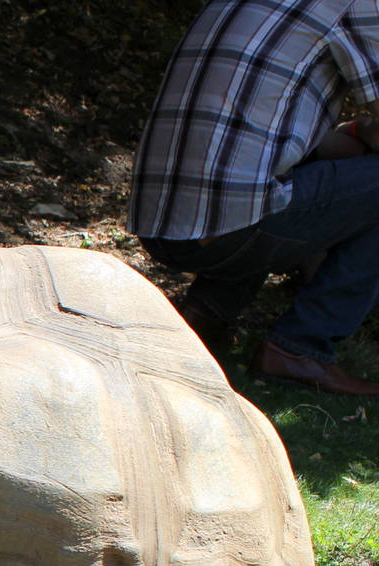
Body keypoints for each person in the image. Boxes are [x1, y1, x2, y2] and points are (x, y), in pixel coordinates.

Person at [129, 0, 379, 396]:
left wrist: (358, 136)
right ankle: (300, 348)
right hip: (228, 228)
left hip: (156, 216)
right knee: (263, 187)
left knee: (261, 174)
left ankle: (205, 314)